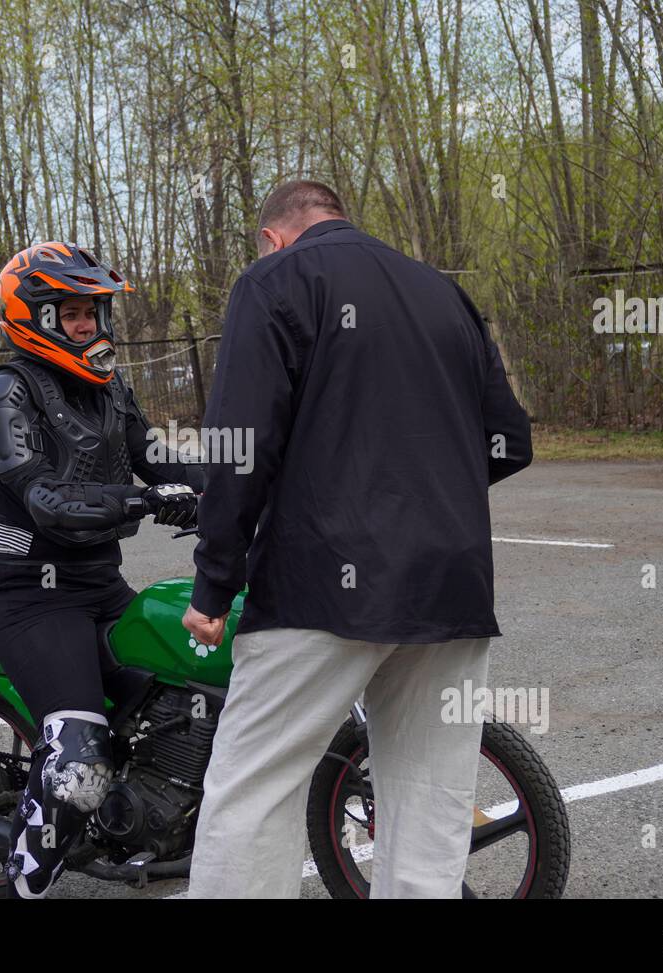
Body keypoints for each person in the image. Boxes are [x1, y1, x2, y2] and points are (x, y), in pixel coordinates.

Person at [182, 180, 533, 898]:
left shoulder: (273, 281)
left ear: (273, 235)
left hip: (320, 581)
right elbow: (509, 440)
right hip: (451, 585)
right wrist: (426, 501)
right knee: (429, 802)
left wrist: (214, 582)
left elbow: (238, 446)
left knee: (253, 790)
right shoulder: (441, 292)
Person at [0, 241, 204, 898]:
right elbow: (47, 500)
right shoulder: (6, 392)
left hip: (101, 587)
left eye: (94, 311)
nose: (89, 325)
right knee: (80, 763)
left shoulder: (110, 386)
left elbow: (157, 457)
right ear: (35, 318)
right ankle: (26, 882)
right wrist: (143, 499)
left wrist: (245, 482)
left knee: (180, 711)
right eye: (72, 312)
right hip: (29, 598)